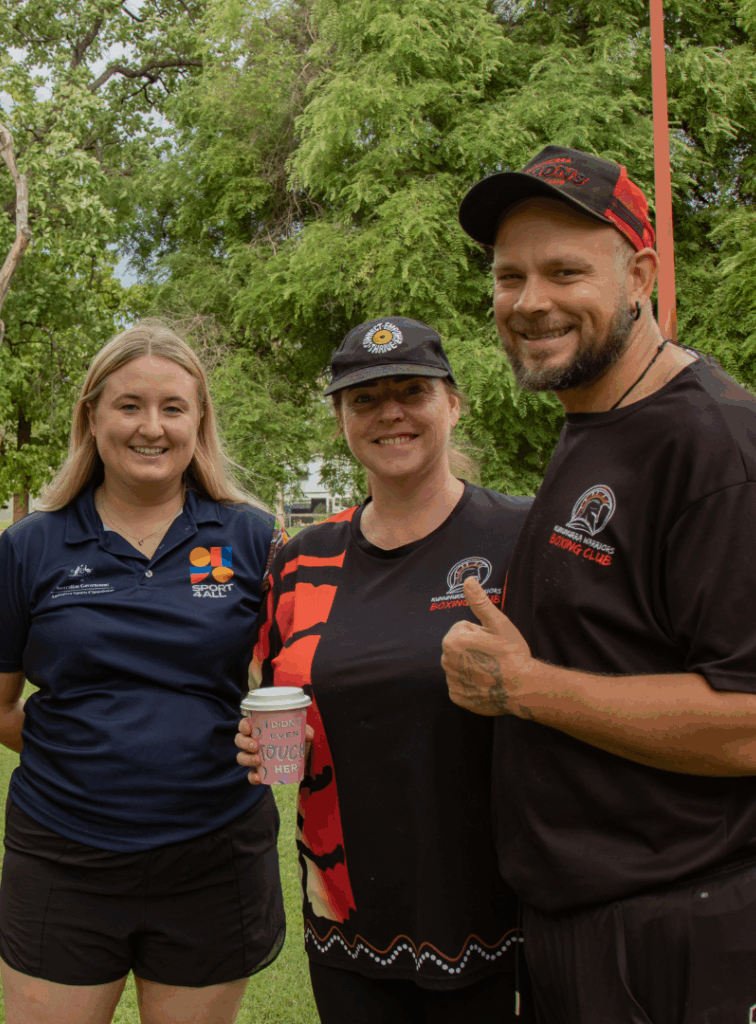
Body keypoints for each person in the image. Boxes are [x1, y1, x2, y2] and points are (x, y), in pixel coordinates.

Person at [442, 146, 756, 1022]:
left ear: (640, 278)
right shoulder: (599, 420)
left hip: (680, 930)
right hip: (584, 921)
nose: (529, 301)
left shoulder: (720, 452)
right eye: (509, 276)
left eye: (565, 271)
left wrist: (525, 688)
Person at [0, 322, 285, 1024]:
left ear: (199, 421)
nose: (152, 427)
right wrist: (92, 763)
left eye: (173, 407)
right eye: (129, 405)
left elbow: (291, 683)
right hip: (64, 853)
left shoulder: (255, 539)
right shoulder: (29, 547)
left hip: (216, 851)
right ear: (91, 416)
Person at [235, 316, 533, 1024]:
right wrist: (260, 740)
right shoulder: (303, 560)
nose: (390, 412)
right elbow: (278, 695)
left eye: (412, 391)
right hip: (347, 913)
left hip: (502, 911)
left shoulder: (521, 534)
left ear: (453, 404)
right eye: (364, 399)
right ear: (341, 420)